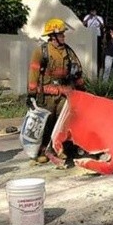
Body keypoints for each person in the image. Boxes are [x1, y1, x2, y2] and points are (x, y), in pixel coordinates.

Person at [26, 18, 86, 164]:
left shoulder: (68, 51)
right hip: (46, 95)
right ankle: (41, 151)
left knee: (63, 123)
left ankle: (59, 149)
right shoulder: (42, 51)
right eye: (61, 34)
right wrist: (31, 93)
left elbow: (77, 70)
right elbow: (33, 72)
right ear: (53, 36)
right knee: (46, 124)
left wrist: (82, 89)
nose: (63, 37)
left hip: (63, 94)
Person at [82, 8, 105, 74]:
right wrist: (89, 18)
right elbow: (83, 24)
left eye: (94, 11)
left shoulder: (99, 17)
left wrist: (97, 19)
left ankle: (97, 65)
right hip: (89, 35)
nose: (93, 12)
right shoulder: (87, 16)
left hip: (97, 35)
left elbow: (102, 26)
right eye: (92, 11)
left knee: (97, 50)